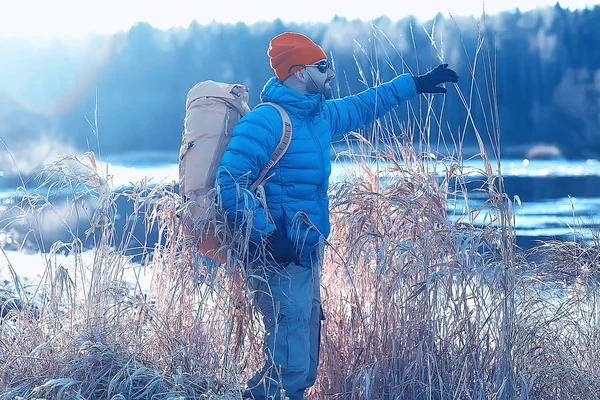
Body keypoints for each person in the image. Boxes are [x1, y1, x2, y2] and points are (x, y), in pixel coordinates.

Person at [216, 32, 458, 400]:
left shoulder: (319, 116)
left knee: (303, 365)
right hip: (275, 258)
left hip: (306, 256)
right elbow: (229, 182)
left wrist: (414, 84)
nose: (330, 74)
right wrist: (267, 236)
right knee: (290, 368)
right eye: (322, 66)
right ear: (298, 72)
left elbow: (365, 105)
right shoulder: (265, 122)